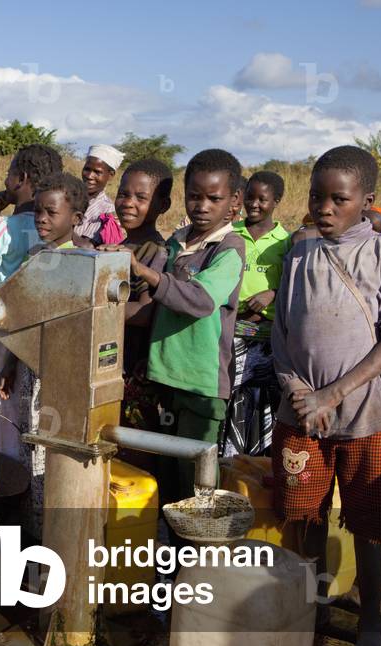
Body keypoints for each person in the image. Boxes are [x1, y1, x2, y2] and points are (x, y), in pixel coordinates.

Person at [273, 146, 381, 646]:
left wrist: (331, 395)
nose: (325, 208)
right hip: (300, 416)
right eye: (317, 196)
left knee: (369, 522)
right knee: (305, 518)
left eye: (339, 199)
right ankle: (309, 612)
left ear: (368, 201)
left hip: (362, 416)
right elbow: (282, 334)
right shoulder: (298, 254)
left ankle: (372, 622)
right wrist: (297, 389)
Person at [130, 149, 246, 506]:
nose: (202, 206)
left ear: (234, 201)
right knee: (164, 484)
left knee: (194, 491)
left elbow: (199, 301)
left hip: (201, 387)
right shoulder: (176, 242)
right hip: (163, 380)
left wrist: (145, 271)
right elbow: (149, 300)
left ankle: (196, 561)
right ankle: (170, 558)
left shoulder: (229, 248)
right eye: (194, 196)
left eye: (214, 198)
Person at [0, 172, 87, 536]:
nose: (42, 220)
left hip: (62, 376)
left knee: (54, 455)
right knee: (29, 446)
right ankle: (35, 532)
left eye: (51, 213)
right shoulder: (35, 255)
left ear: (75, 218)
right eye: (38, 212)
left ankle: (54, 534)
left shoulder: (86, 260)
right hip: (30, 370)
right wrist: (9, 361)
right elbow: (22, 317)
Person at [0, 144, 62, 455]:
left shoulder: (5, 227)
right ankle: (12, 477)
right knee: (13, 413)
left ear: (22, 178)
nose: (6, 181)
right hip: (27, 340)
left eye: (9, 174)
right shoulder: (52, 230)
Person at [97, 160, 173, 434]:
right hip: (111, 363)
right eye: (123, 194)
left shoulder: (156, 251)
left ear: (162, 205)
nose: (128, 203)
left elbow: (145, 312)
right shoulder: (119, 246)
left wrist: (91, 309)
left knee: (129, 444)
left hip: (134, 370)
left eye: (141, 197)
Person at [223, 171, 289, 457]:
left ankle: (257, 465)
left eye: (263, 199)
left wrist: (272, 294)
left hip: (265, 337)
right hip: (231, 332)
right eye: (250, 197)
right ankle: (227, 463)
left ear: (276, 201)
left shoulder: (284, 241)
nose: (255, 204)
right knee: (230, 400)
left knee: (262, 404)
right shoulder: (229, 233)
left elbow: (290, 283)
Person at [78, 144, 124, 244]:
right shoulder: (69, 196)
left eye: (97, 172)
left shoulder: (106, 209)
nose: (90, 176)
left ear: (110, 175)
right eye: (87, 169)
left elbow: (87, 246)